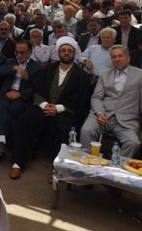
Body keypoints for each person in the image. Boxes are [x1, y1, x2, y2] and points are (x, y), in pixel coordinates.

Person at [8, 37, 91, 180]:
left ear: (74, 54)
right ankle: (17, 163)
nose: (66, 53)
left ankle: (57, 169)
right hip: (44, 106)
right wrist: (44, 104)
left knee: (64, 128)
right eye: (63, 50)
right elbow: (37, 90)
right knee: (23, 121)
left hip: (66, 111)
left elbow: (81, 100)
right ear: (58, 53)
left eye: (69, 51)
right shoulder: (48, 69)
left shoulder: (82, 76)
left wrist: (57, 108)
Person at [80, 45, 142, 157]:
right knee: (86, 131)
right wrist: (99, 113)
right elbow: (96, 97)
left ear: (128, 58)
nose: (117, 59)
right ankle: (87, 162)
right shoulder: (104, 74)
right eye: (114, 57)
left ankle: (115, 165)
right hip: (103, 115)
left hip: (126, 120)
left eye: (120, 56)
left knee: (133, 143)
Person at [0, 40, 42, 161]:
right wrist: (14, 68)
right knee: (1, 105)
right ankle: (2, 141)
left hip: (22, 97)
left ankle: (1, 142)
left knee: (11, 109)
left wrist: (20, 93)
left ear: (30, 52)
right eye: (17, 52)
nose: (19, 55)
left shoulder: (37, 67)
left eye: (22, 52)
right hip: (7, 93)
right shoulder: (10, 62)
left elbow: (36, 88)